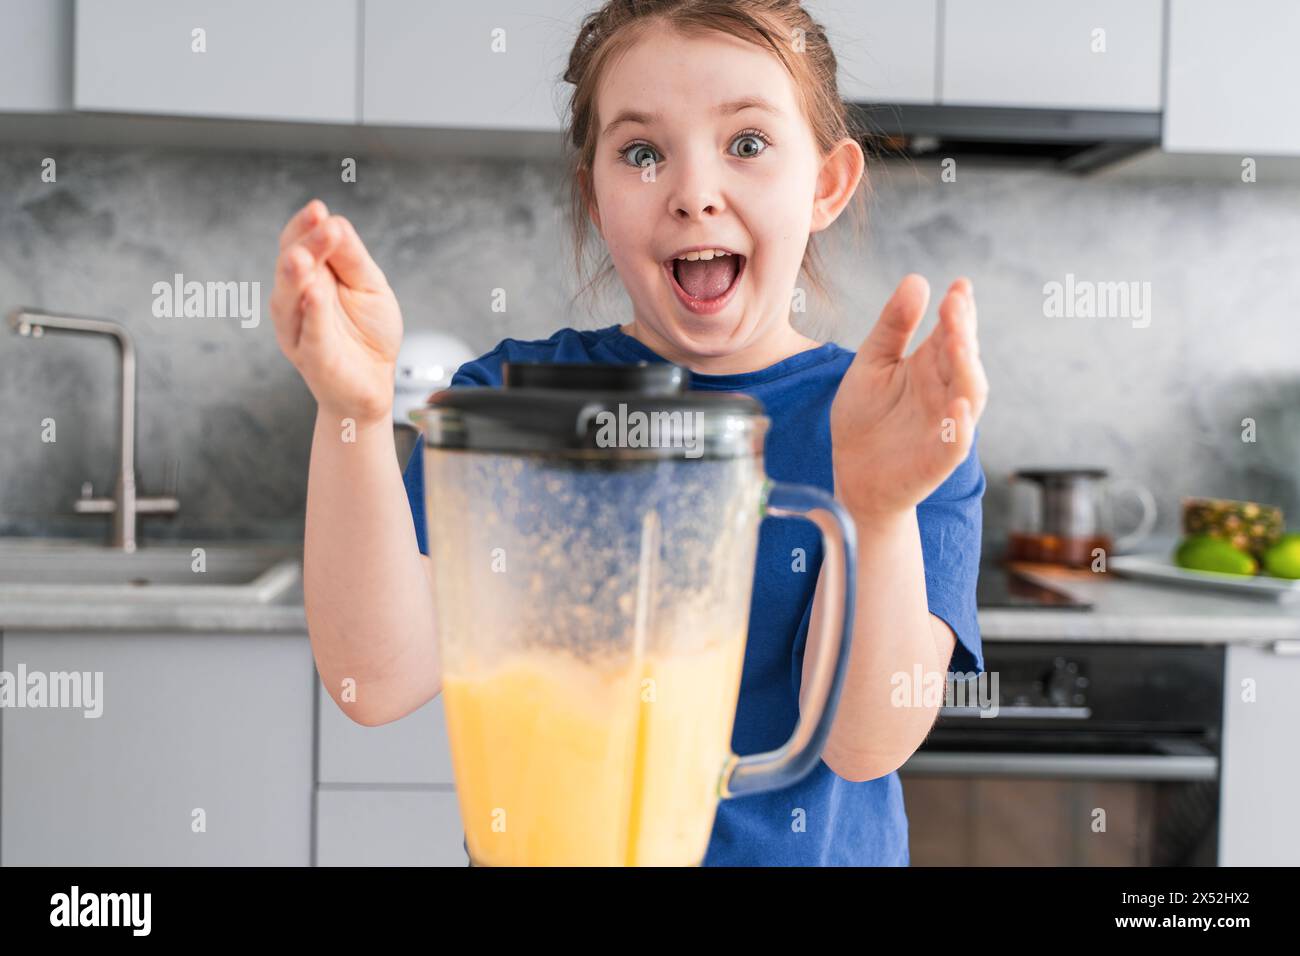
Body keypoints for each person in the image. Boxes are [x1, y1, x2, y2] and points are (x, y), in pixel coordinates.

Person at [269, 0, 989, 866]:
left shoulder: (896, 421)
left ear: (827, 183)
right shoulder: (509, 404)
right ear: (595, 196)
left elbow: (866, 744)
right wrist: (352, 412)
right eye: (642, 152)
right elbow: (374, 680)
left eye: (748, 144)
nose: (693, 194)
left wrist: (877, 510)